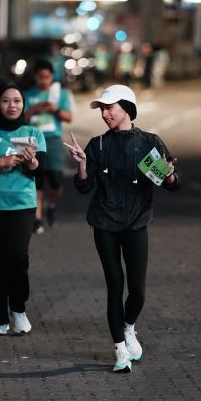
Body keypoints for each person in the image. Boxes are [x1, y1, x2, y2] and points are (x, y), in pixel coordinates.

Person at [64, 84, 179, 373]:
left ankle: (128, 327)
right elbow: (84, 187)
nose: (105, 113)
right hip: (105, 223)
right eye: (102, 109)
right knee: (115, 284)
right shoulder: (98, 145)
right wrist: (82, 165)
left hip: (137, 223)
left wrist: (169, 176)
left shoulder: (149, 143)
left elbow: (171, 184)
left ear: (127, 108)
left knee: (137, 291)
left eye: (110, 108)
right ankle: (119, 350)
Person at [0, 85, 46, 335]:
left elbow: (41, 170)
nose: (12, 105)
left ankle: (18, 308)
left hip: (23, 205)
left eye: (17, 100)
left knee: (17, 257)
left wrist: (32, 161)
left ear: (23, 104)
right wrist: (0, 162)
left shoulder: (33, 133)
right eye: (6, 100)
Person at [25, 60, 72, 233]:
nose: (44, 80)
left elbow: (69, 117)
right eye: (40, 77)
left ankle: (51, 205)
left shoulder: (60, 94)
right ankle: (37, 218)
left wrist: (55, 110)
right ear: (35, 77)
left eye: (47, 77)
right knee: (36, 181)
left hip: (53, 140)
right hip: (33, 141)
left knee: (56, 180)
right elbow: (21, 119)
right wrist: (34, 109)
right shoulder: (28, 94)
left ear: (52, 77)